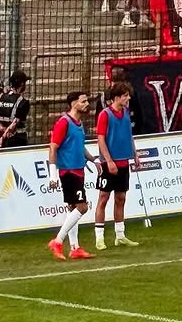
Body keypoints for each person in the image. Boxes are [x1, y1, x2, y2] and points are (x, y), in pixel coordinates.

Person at [47, 91, 94, 261]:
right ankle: (58, 241)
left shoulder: (79, 124)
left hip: (78, 170)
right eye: (83, 101)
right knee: (82, 207)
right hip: (69, 171)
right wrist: (53, 174)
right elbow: (53, 147)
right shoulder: (64, 122)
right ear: (74, 103)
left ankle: (75, 248)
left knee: (73, 208)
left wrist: (94, 160)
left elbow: (80, 147)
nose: (87, 104)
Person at [93, 82, 139, 250]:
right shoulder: (105, 115)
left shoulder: (126, 113)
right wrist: (109, 161)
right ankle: (99, 238)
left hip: (123, 162)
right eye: (125, 95)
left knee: (121, 198)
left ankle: (120, 236)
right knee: (103, 198)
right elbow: (101, 139)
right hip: (109, 164)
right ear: (117, 97)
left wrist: (135, 154)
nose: (128, 98)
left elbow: (129, 135)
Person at [0, 70, 31, 148]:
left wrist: (2, 130)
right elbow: (14, 124)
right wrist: (3, 137)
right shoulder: (23, 102)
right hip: (17, 139)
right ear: (22, 84)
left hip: (0, 138)